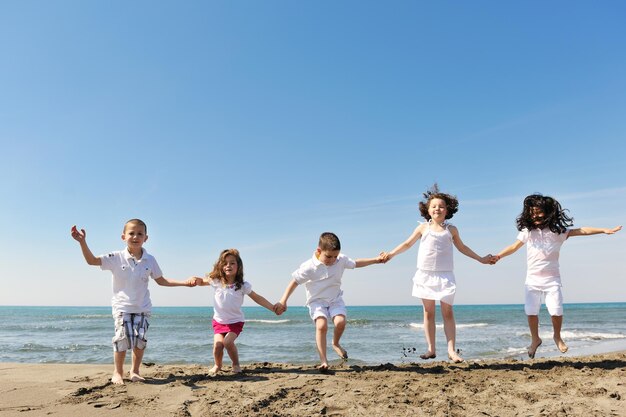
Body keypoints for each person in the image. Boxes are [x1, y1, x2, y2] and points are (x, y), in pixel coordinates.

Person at [495, 194, 621, 358]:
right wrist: (498, 256)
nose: (536, 216)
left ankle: (557, 336)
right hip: (532, 279)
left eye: (539, 212)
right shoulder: (528, 231)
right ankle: (535, 340)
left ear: (547, 212)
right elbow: (514, 246)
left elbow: (581, 230)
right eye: (532, 213)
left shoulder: (557, 231)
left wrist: (603, 230)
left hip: (552, 279)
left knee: (556, 310)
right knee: (531, 311)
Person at [70, 219, 196, 385]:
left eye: (140, 234)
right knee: (121, 338)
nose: (135, 236)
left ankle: (135, 371)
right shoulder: (115, 257)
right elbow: (92, 261)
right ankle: (118, 372)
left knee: (140, 339)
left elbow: (161, 280)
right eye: (131, 233)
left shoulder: (150, 260)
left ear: (146, 238)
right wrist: (82, 242)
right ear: (123, 236)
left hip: (143, 308)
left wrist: (184, 282)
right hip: (122, 307)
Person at [381, 185, 495, 363]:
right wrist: (391, 254)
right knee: (428, 312)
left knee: (447, 312)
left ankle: (451, 350)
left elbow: (462, 248)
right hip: (425, 275)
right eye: (434, 206)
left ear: (447, 210)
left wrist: (481, 259)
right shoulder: (422, 228)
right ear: (427, 210)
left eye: (441, 206)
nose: (437, 209)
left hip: (445, 276)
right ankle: (431, 349)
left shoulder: (451, 229)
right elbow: (406, 244)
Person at [276, 232, 383, 371]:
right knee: (321, 326)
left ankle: (336, 343)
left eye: (335, 256)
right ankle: (324, 361)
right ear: (318, 251)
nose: (332, 260)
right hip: (316, 302)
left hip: (335, 299)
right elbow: (294, 282)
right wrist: (283, 301)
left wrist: (376, 260)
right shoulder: (309, 267)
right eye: (328, 256)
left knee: (340, 322)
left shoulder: (341, 260)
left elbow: (357, 263)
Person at [191, 249, 279, 375]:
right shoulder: (216, 281)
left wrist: (272, 308)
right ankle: (217, 365)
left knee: (227, 342)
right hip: (219, 322)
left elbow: (257, 298)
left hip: (235, 322)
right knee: (218, 345)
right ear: (221, 266)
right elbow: (201, 282)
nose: (228, 266)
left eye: (232, 263)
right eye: (225, 263)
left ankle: (236, 364)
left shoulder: (242, 285)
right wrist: (195, 280)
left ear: (238, 266)